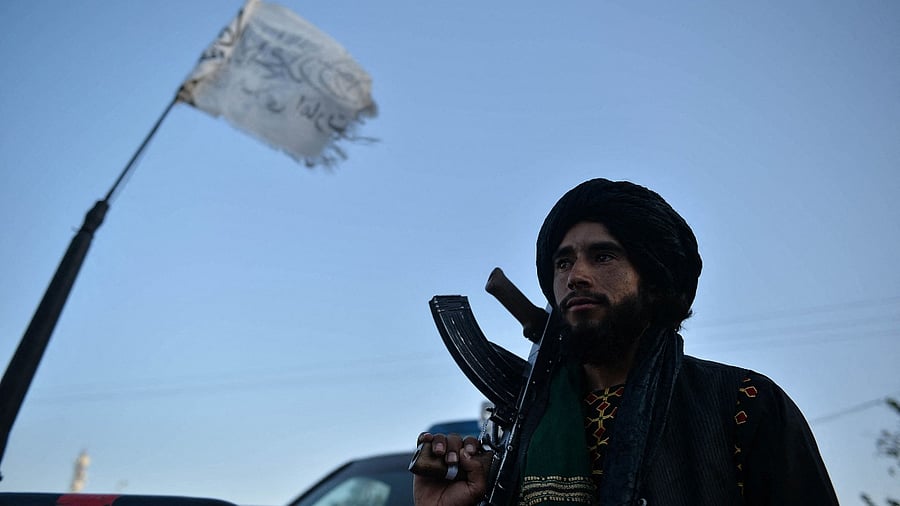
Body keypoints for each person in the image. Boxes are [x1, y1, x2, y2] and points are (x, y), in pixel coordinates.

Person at [413, 179, 838, 505]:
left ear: (653, 281)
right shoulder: (525, 425)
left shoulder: (743, 403)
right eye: (563, 262)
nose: (575, 276)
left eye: (603, 257)